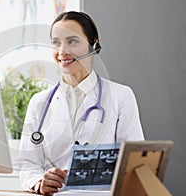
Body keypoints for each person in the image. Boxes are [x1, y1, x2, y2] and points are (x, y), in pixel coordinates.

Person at [17, 11, 144, 195]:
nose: (62, 51)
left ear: (94, 44)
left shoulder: (121, 96)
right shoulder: (39, 103)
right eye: (56, 42)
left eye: (72, 41)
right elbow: (28, 165)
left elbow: (134, 164)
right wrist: (39, 182)